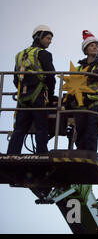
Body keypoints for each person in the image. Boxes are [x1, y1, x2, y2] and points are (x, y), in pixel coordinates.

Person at [7, 25, 57, 155]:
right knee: (41, 127)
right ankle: (42, 154)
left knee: (20, 128)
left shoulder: (20, 55)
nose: (50, 41)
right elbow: (51, 76)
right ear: (39, 37)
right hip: (38, 95)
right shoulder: (43, 54)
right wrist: (50, 97)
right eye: (48, 38)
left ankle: (12, 153)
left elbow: (15, 79)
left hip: (23, 96)